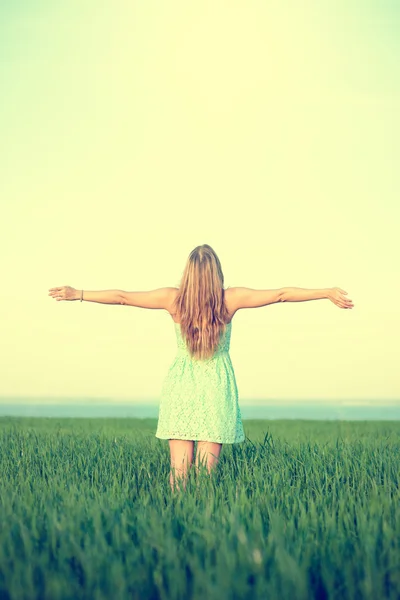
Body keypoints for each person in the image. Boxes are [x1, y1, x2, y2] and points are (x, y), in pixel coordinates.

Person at [48, 243, 354, 493]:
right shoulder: (229, 300)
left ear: (188, 274)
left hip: (181, 386)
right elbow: (280, 295)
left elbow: (124, 298)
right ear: (217, 273)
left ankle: (176, 531)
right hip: (216, 387)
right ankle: (202, 528)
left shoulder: (173, 299)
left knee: (178, 474)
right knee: (206, 478)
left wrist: (79, 294)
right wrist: (325, 292)